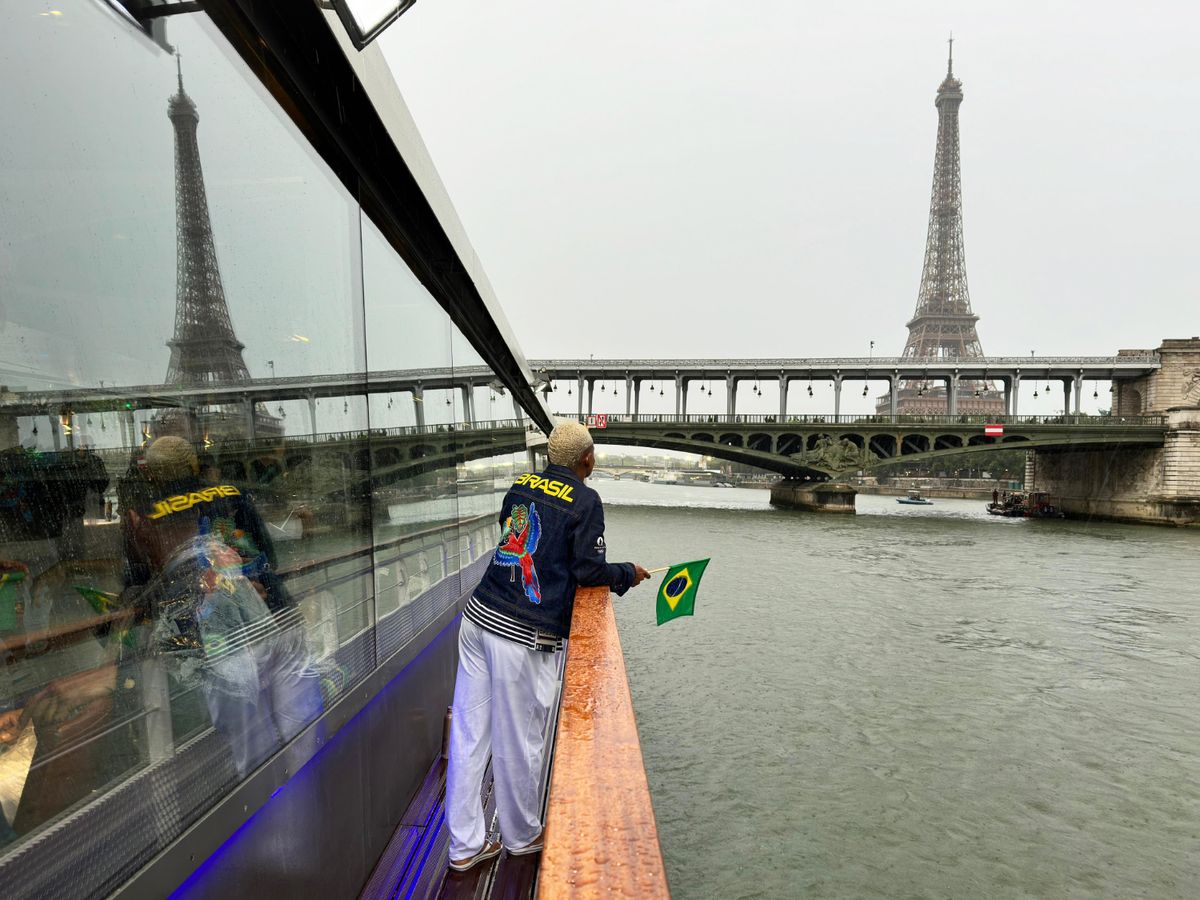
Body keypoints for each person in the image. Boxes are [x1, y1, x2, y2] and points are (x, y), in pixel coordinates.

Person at [446, 421, 650, 871]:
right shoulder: (586, 500)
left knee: (468, 733)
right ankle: (520, 836)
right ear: (587, 460)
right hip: (523, 633)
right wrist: (626, 574)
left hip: (479, 616)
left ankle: (464, 846)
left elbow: (515, 540)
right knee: (521, 738)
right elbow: (588, 571)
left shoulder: (520, 485)